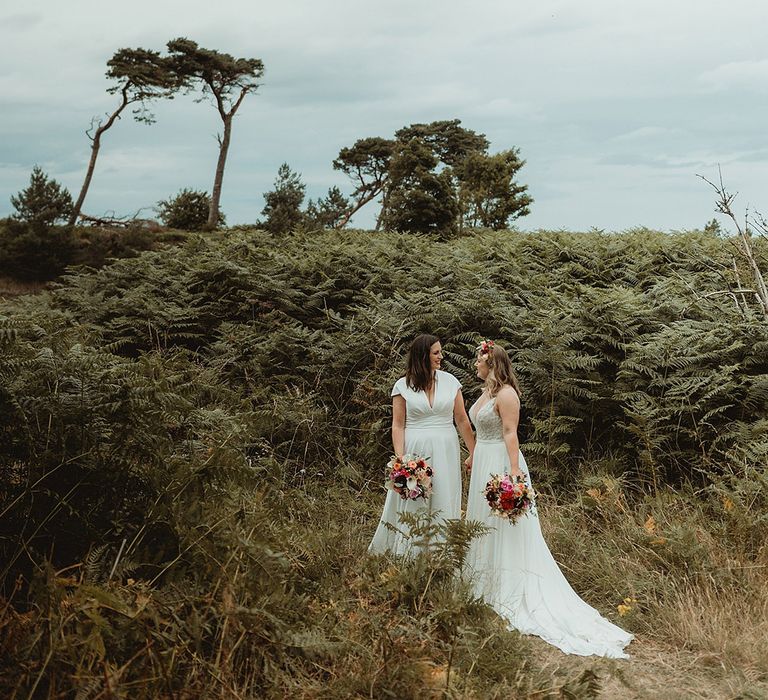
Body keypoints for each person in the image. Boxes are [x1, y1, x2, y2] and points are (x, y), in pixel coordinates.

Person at [465, 340, 633, 659]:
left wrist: (514, 475)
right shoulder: (486, 393)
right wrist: (474, 455)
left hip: (502, 462)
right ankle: (483, 582)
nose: (475, 363)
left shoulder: (506, 394)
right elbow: (482, 429)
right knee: (482, 524)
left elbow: (510, 433)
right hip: (484, 460)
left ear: (492, 363)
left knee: (509, 528)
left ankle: (511, 587)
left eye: (479, 359)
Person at [369, 334, 475, 555]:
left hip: (446, 448)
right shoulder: (402, 386)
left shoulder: (450, 382)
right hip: (415, 450)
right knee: (415, 498)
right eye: (436, 353)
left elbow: (462, 420)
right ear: (422, 356)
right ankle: (410, 551)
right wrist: (401, 460)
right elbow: (398, 425)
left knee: (444, 495)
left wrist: (474, 452)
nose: (441, 357)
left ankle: (443, 553)